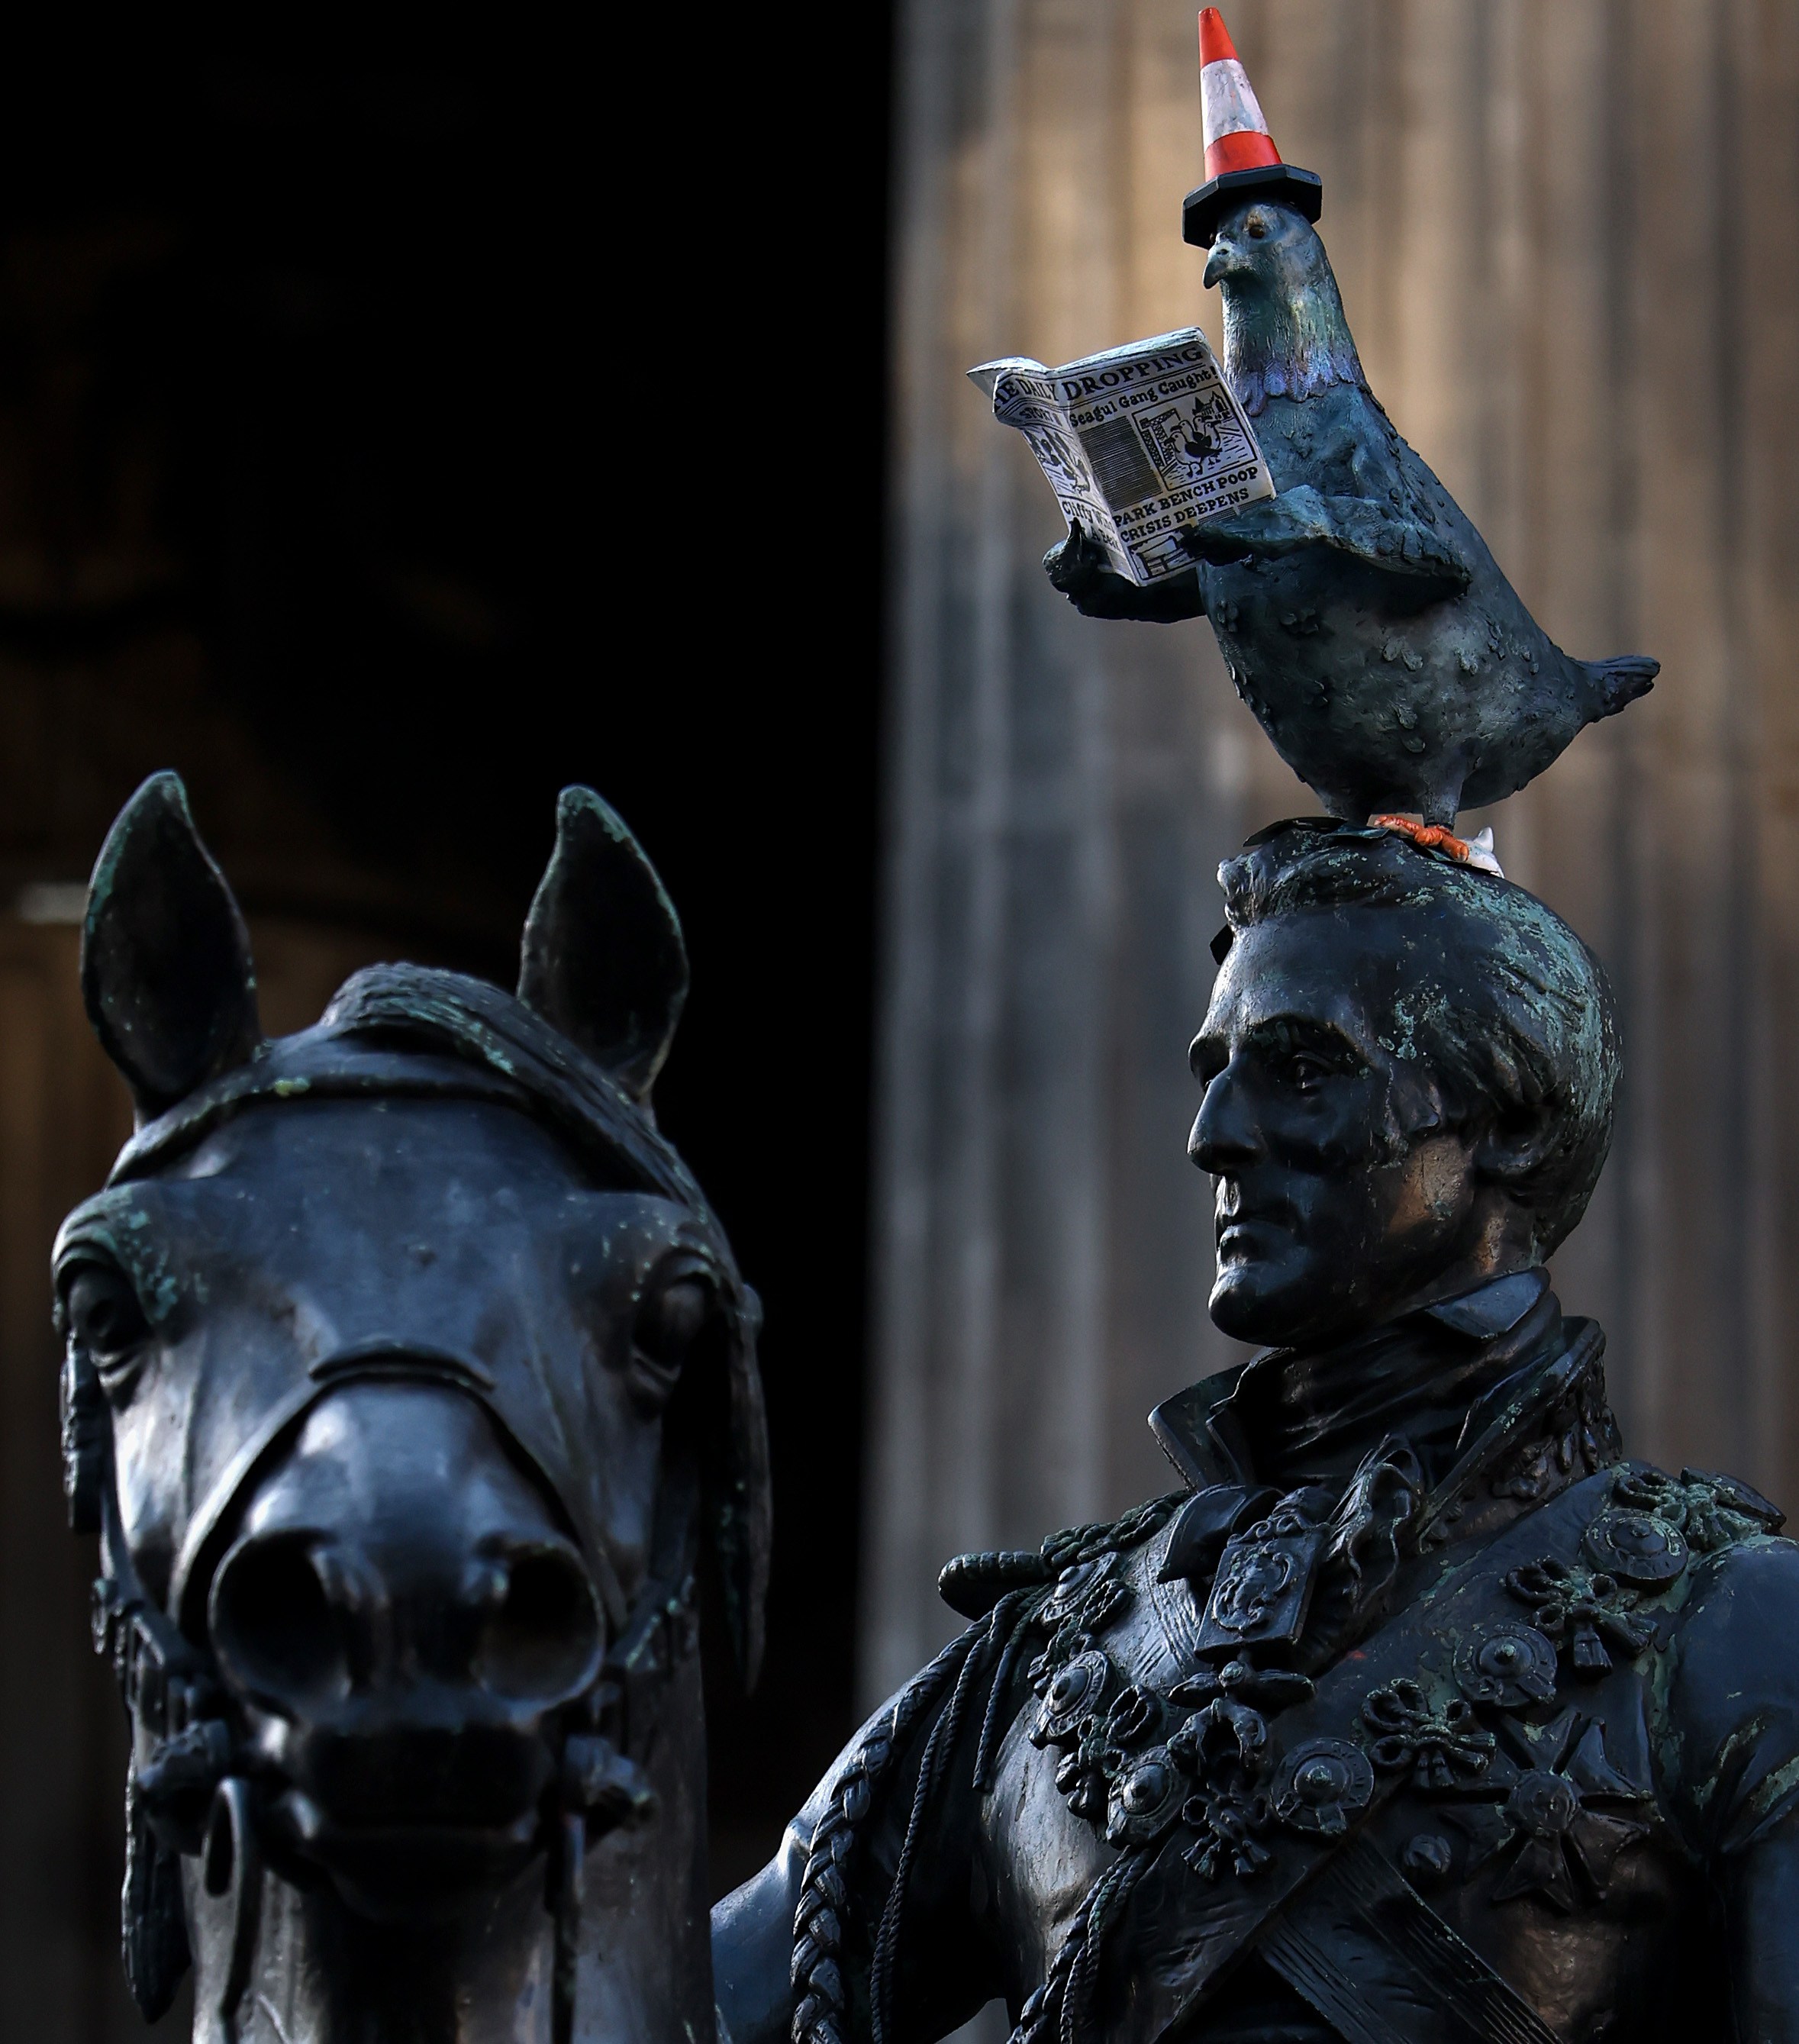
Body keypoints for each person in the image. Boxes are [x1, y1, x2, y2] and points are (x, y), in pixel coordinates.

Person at [714, 821, 1799, 2043]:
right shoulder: (1043, 1652)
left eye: (1301, 1067)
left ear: (1509, 1122)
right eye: (1212, 1069)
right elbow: (674, 2001)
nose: (1211, 1134)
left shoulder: (1734, 1631)